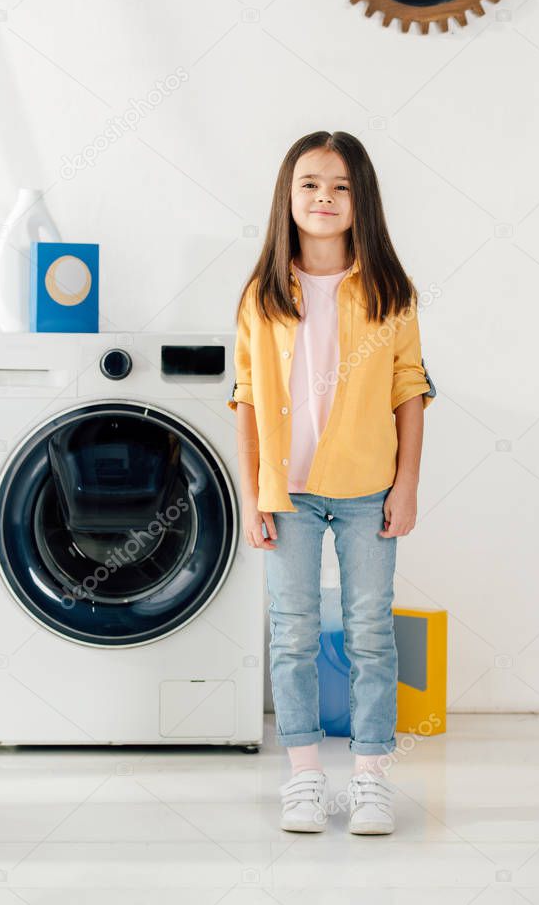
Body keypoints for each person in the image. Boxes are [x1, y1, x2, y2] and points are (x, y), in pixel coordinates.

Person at [227, 129, 436, 835]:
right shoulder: (261, 294)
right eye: (310, 184)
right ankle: (305, 776)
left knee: (371, 631)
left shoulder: (388, 290)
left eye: (341, 186)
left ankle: (372, 776)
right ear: (288, 197)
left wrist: (405, 484)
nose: (324, 197)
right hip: (286, 493)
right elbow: (246, 396)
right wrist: (255, 486)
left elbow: (410, 388)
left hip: (365, 489)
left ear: (362, 200)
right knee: (291, 634)